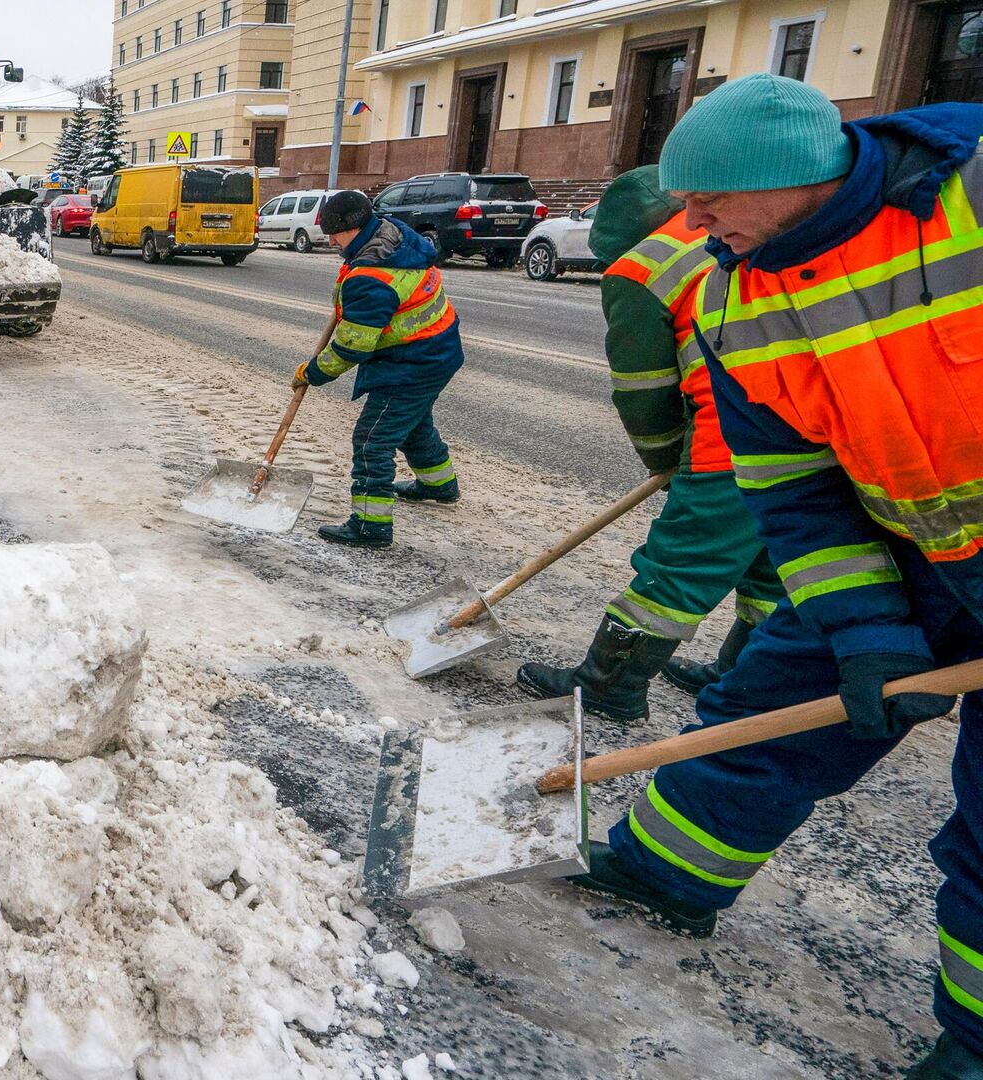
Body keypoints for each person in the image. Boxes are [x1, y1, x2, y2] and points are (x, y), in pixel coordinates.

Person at [563, 74, 983, 1078]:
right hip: (908, 547)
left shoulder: (968, 201)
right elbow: (795, 492)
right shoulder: (730, 297)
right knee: (770, 701)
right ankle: (663, 873)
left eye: (710, 198)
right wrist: (867, 626)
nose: (690, 220)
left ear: (796, 175)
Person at [516, 166, 784, 721]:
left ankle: (610, 686)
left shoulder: (642, 268)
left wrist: (668, 460)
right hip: (814, 423)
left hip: (739, 435)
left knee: (679, 564)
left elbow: (644, 392)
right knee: (771, 558)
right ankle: (746, 676)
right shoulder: (743, 227)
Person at [293, 190, 464, 549]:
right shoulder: (394, 237)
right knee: (413, 425)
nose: (331, 241)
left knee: (373, 439)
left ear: (355, 228)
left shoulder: (372, 276)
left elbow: (353, 345)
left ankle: (371, 524)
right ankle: (439, 484)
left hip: (411, 363)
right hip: (437, 349)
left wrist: (313, 373)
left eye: (335, 233)